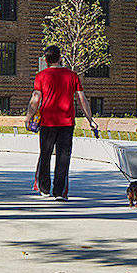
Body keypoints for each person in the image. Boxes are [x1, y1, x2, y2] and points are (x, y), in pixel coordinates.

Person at [27, 45, 99, 200]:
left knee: (45, 155)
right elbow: (81, 99)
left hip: (47, 122)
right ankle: (59, 192)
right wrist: (90, 120)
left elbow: (35, 99)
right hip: (66, 122)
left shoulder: (41, 76)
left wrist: (28, 117)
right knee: (63, 156)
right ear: (60, 58)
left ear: (45, 60)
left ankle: (44, 188)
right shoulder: (72, 76)